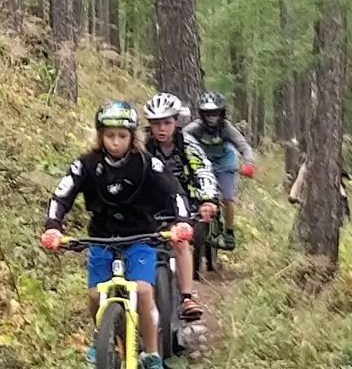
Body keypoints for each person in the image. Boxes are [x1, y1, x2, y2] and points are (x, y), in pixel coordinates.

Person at [40, 99, 191, 369]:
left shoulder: (146, 163)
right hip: (101, 238)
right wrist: (53, 225)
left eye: (122, 136)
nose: (115, 142)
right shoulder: (86, 164)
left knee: (143, 291)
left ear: (132, 137)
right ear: (100, 136)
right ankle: (101, 336)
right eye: (109, 135)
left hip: (140, 238)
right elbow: (62, 195)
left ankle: (152, 353)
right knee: (95, 295)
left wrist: (181, 221)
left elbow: (175, 191)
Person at [142, 92, 217, 319]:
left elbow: (203, 170)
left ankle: (186, 297)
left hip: (182, 204)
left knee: (180, 243)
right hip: (149, 205)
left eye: (167, 122)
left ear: (176, 121)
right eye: (156, 123)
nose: (161, 129)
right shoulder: (142, 146)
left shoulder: (187, 145)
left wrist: (208, 199)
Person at [183, 91, 254, 248]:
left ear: (221, 113)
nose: (211, 117)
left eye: (215, 113)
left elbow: (243, 146)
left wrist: (249, 163)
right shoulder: (194, 128)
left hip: (225, 164)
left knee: (227, 197)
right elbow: (179, 139)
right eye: (207, 113)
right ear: (201, 114)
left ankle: (229, 233)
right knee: (189, 193)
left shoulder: (227, 128)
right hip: (202, 164)